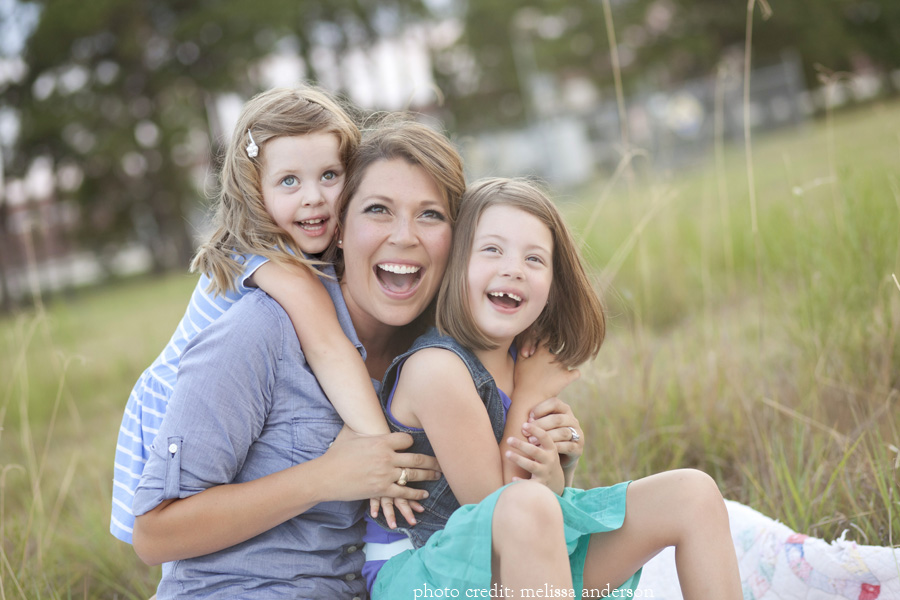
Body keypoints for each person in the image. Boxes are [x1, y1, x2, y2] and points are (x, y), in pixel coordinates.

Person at [130, 117, 467, 598]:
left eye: (431, 215)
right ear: (343, 227)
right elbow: (154, 534)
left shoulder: (436, 355)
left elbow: (487, 512)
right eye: (377, 210)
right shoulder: (260, 331)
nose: (405, 236)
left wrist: (550, 461)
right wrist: (323, 479)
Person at [364, 178, 743, 599]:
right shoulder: (436, 369)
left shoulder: (519, 363)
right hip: (424, 576)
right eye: (492, 249)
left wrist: (557, 472)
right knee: (528, 508)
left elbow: (537, 501)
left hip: (512, 557)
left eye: (535, 259)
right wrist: (527, 396)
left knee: (692, 494)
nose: (514, 268)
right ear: (455, 265)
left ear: (552, 286)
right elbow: (497, 506)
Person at [111, 86, 408, 544]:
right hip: (180, 407)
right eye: (289, 181)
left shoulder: (308, 248)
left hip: (229, 403)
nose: (314, 198)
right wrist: (382, 453)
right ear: (254, 190)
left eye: (330, 175)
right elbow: (329, 348)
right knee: (194, 522)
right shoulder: (269, 258)